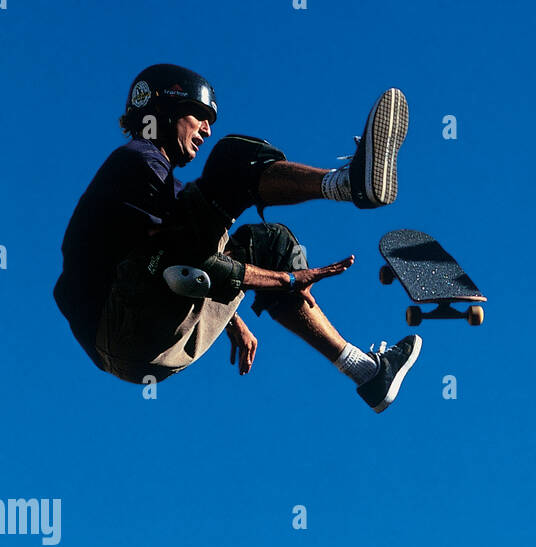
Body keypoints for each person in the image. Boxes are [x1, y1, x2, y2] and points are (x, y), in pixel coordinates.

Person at [53, 65, 421, 412]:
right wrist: (285, 280)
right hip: (121, 326)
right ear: (164, 111)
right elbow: (181, 256)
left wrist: (232, 318)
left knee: (269, 244)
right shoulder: (137, 161)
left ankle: (368, 373)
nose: (206, 130)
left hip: (151, 348)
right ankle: (349, 183)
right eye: (199, 116)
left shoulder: (163, 186)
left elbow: (181, 255)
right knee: (233, 161)